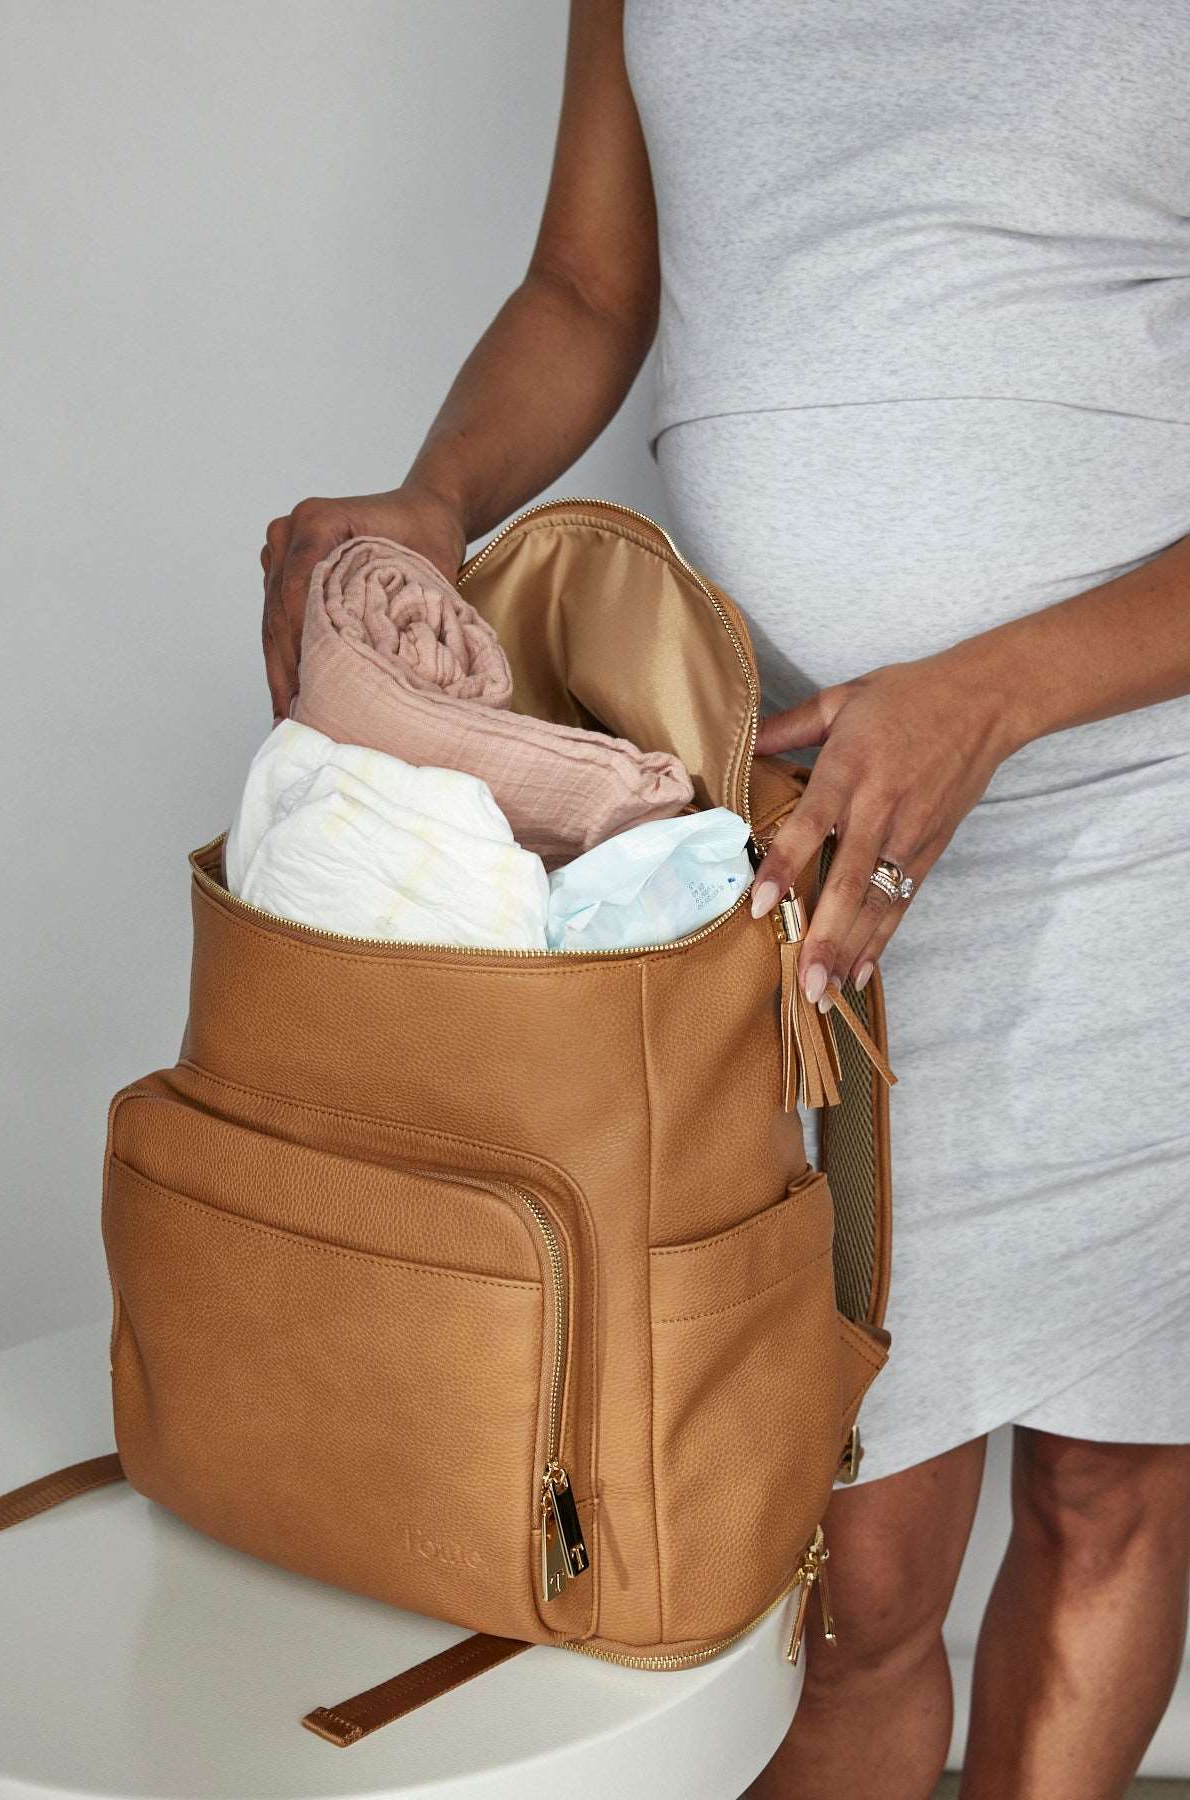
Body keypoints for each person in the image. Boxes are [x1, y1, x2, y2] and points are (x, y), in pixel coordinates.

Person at [260, 4, 1190, 1795]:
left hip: (1141, 824)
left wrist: (989, 688)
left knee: (1108, 1485)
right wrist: (432, 499)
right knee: (842, 1583)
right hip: (780, 840)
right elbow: (589, 288)